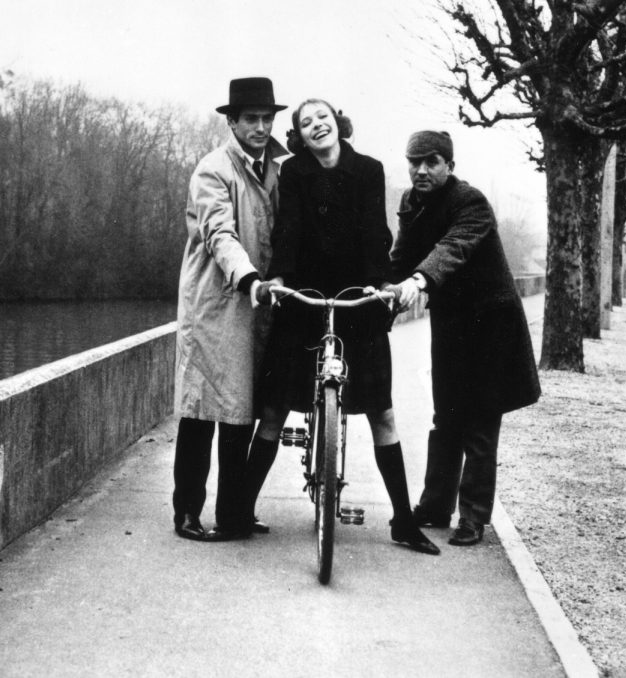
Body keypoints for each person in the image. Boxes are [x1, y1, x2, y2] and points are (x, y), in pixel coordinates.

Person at [246, 99, 440, 555]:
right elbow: (288, 229)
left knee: (382, 413)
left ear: (337, 123)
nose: (317, 126)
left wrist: (383, 285)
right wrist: (279, 279)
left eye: (323, 118)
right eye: (306, 123)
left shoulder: (369, 169)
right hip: (305, 297)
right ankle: (239, 508)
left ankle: (403, 521)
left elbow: (376, 232)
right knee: (274, 408)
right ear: (299, 136)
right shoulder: (294, 172)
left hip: (358, 297)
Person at [389, 130, 540, 546]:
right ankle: (435, 506)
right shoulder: (411, 202)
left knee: (481, 421)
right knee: (446, 416)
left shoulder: (470, 202)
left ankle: (473, 516)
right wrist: (382, 287)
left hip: (491, 323)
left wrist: (419, 280)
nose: (421, 170)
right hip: (451, 322)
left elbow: (453, 248)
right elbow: (401, 256)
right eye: (414, 162)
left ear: (449, 166)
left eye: (431, 162)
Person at [172, 77, 288, 542]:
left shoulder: (274, 168)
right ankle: (186, 512)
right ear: (232, 122)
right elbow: (220, 233)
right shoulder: (213, 170)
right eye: (251, 119)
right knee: (200, 411)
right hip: (214, 302)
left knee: (241, 411)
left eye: (267, 119)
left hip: (255, 303)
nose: (260, 127)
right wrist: (249, 278)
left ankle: (233, 513)